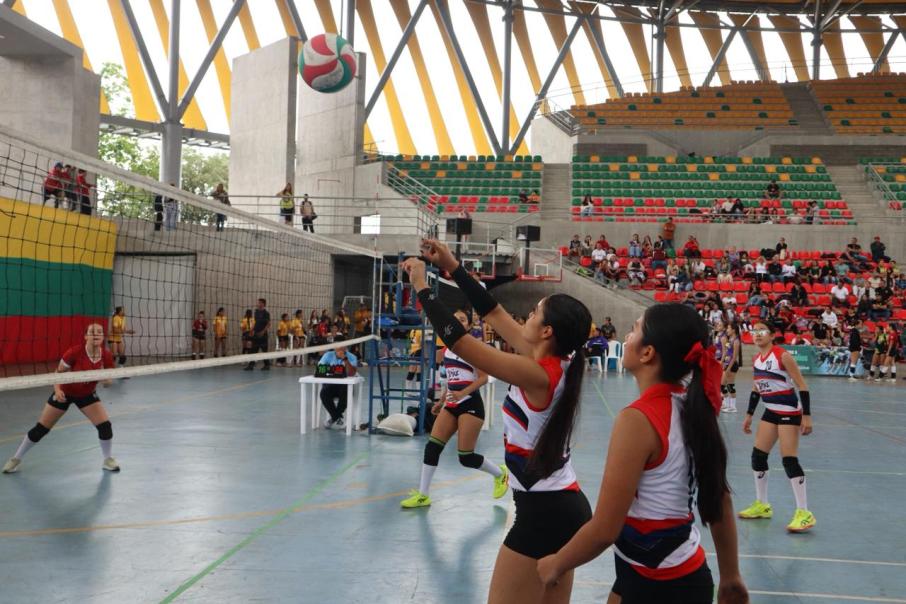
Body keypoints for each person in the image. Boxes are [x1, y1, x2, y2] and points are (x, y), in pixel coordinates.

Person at [410, 239, 593, 604]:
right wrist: (452, 265)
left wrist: (421, 287)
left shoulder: (538, 374)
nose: (527, 317)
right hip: (561, 505)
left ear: (547, 331)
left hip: (544, 512)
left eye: (535, 312)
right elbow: (492, 311)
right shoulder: (552, 360)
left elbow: (462, 344)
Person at [536, 304, 747, 603]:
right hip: (657, 568)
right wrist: (730, 575)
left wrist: (557, 563)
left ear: (647, 353)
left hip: (657, 583)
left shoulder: (638, 420)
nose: (626, 336)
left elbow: (604, 529)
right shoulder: (689, 407)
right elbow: (719, 498)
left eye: (634, 329)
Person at [400, 309, 508, 508]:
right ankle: (423, 495)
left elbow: (484, 378)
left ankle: (500, 474)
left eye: (462, 319)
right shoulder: (447, 349)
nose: (458, 322)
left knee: (466, 457)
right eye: (455, 319)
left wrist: (462, 393)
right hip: (451, 404)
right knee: (432, 447)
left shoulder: (473, 348)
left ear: (469, 325)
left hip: (470, 404)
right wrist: (442, 401)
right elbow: (452, 379)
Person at [3, 323, 121, 474]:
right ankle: (16, 459)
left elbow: (108, 382)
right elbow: (58, 373)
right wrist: (57, 390)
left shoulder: (106, 355)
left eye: (99, 332)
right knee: (41, 429)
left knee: (105, 426)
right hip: (65, 392)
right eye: (92, 332)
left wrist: (106, 380)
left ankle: (107, 459)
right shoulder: (74, 352)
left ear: (103, 336)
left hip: (86, 394)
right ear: (86, 336)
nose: (96, 334)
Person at [739, 322, 816, 533]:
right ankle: (762, 505)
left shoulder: (782, 356)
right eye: (754, 331)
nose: (757, 334)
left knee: (789, 460)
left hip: (789, 411)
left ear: (772, 335)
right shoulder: (757, 359)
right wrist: (749, 415)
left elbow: (802, 385)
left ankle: (804, 513)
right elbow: (757, 388)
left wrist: (807, 416)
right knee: (758, 457)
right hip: (770, 410)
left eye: (762, 331)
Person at [318, 337, 358, 429]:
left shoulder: (352, 357)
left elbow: (351, 373)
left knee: (346, 393)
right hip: (330, 385)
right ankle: (337, 417)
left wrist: (345, 359)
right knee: (323, 393)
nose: (339, 348)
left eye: (341, 345)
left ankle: (334, 418)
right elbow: (320, 369)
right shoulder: (327, 355)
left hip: (345, 386)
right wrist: (332, 370)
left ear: (346, 346)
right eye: (337, 345)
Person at [244, 299, 271, 370]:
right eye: (258, 303)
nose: (258, 304)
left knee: (264, 350)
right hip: (255, 334)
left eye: (259, 303)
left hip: (263, 335)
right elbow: (255, 322)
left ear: (263, 304)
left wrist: (263, 332)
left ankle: (267, 365)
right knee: (253, 350)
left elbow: (268, 324)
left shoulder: (266, 313)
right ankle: (251, 365)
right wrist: (251, 330)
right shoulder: (256, 312)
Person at [721, 323, 742, 414]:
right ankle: (727, 405)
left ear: (733, 330)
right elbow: (726, 352)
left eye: (729, 328)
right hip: (727, 364)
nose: (727, 330)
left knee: (730, 385)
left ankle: (733, 407)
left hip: (732, 365)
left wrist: (729, 367)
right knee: (722, 385)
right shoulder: (729, 339)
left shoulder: (736, 341)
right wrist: (722, 362)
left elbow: (734, 356)